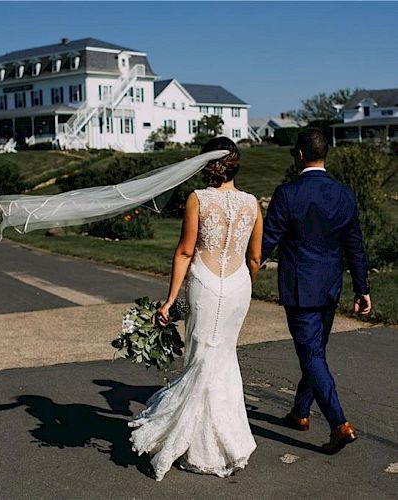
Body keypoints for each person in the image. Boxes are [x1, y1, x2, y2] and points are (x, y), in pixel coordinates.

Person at [129, 136, 263, 480]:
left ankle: (192, 442)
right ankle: (221, 444)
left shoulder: (198, 199)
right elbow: (255, 257)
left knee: (202, 357)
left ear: (207, 165)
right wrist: (243, 281)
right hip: (238, 288)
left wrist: (171, 301)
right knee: (221, 358)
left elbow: (186, 252)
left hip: (205, 283)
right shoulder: (252, 203)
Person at [261, 128, 371, 455]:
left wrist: (242, 270)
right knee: (315, 354)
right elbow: (355, 245)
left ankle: (339, 424)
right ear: (326, 154)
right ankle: (300, 412)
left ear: (298, 155)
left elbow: (267, 241)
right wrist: (362, 288)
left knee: (311, 356)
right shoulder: (344, 193)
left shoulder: (287, 193)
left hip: (300, 289)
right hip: (330, 287)